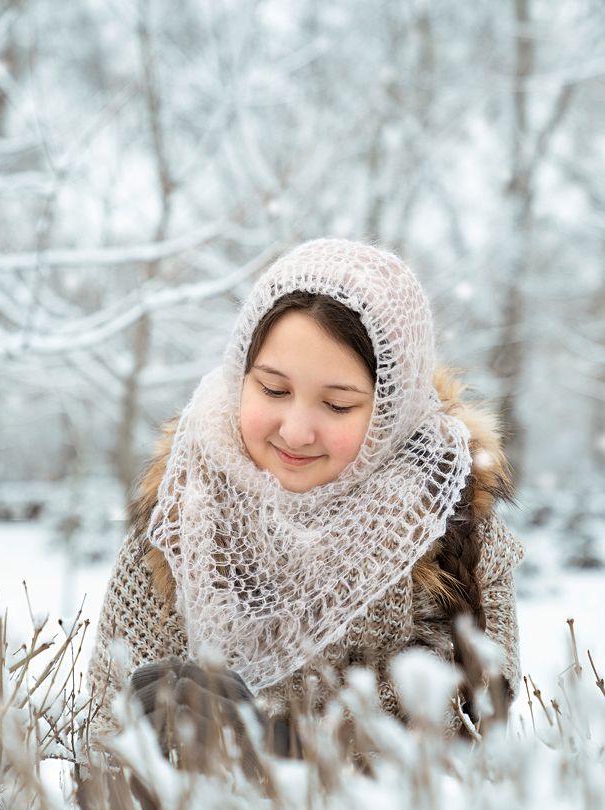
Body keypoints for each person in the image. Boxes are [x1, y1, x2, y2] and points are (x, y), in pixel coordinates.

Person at [85, 238, 524, 772]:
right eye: (272, 390)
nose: (295, 430)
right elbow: (99, 756)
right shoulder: (179, 523)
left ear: (393, 408)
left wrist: (274, 746)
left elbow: (474, 733)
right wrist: (154, 748)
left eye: (337, 404)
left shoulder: (453, 530)